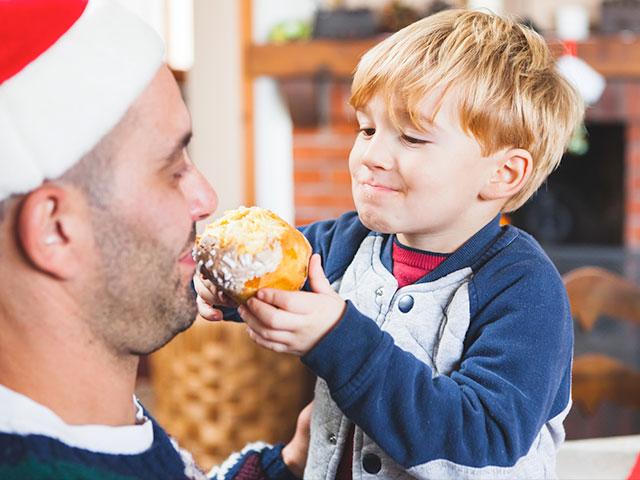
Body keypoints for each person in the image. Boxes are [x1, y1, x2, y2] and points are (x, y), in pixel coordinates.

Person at [195, 8, 584, 479]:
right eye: (367, 129)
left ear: (503, 173)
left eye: (413, 138)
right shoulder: (342, 244)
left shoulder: (524, 289)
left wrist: (337, 337)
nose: (372, 156)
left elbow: (484, 433)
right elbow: (271, 282)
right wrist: (225, 286)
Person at [0, 1, 309, 479]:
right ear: (54, 229)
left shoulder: (89, 427)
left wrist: (286, 467)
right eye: (172, 170)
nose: (207, 198)